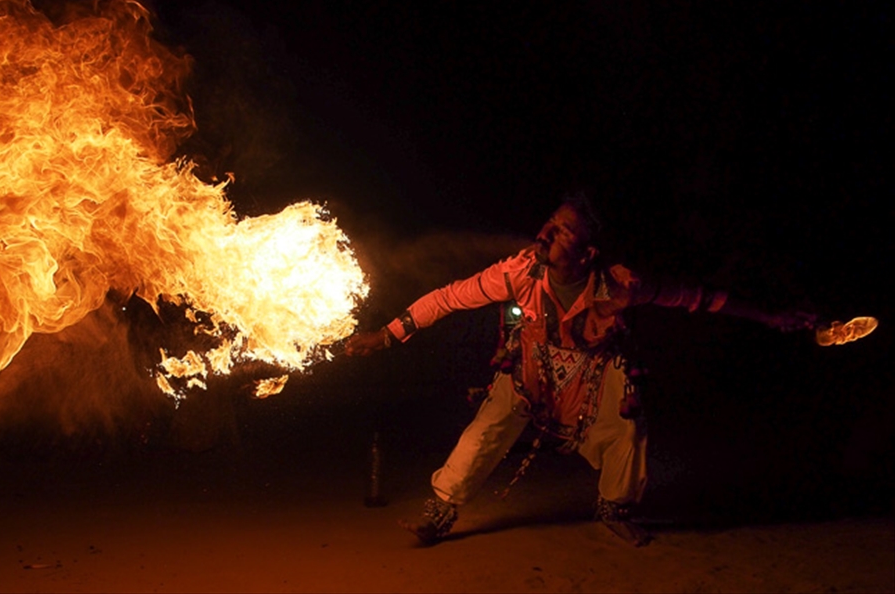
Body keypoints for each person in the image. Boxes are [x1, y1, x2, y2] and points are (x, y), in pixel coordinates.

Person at [345, 195, 816, 546]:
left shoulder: (623, 285)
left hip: (597, 371)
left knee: (627, 430)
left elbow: (700, 299)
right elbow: (449, 297)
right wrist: (386, 335)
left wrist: (769, 317)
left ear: (590, 253)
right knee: (486, 429)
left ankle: (614, 506)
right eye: (549, 224)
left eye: (563, 231)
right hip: (531, 364)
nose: (545, 234)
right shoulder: (517, 272)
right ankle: (440, 511)